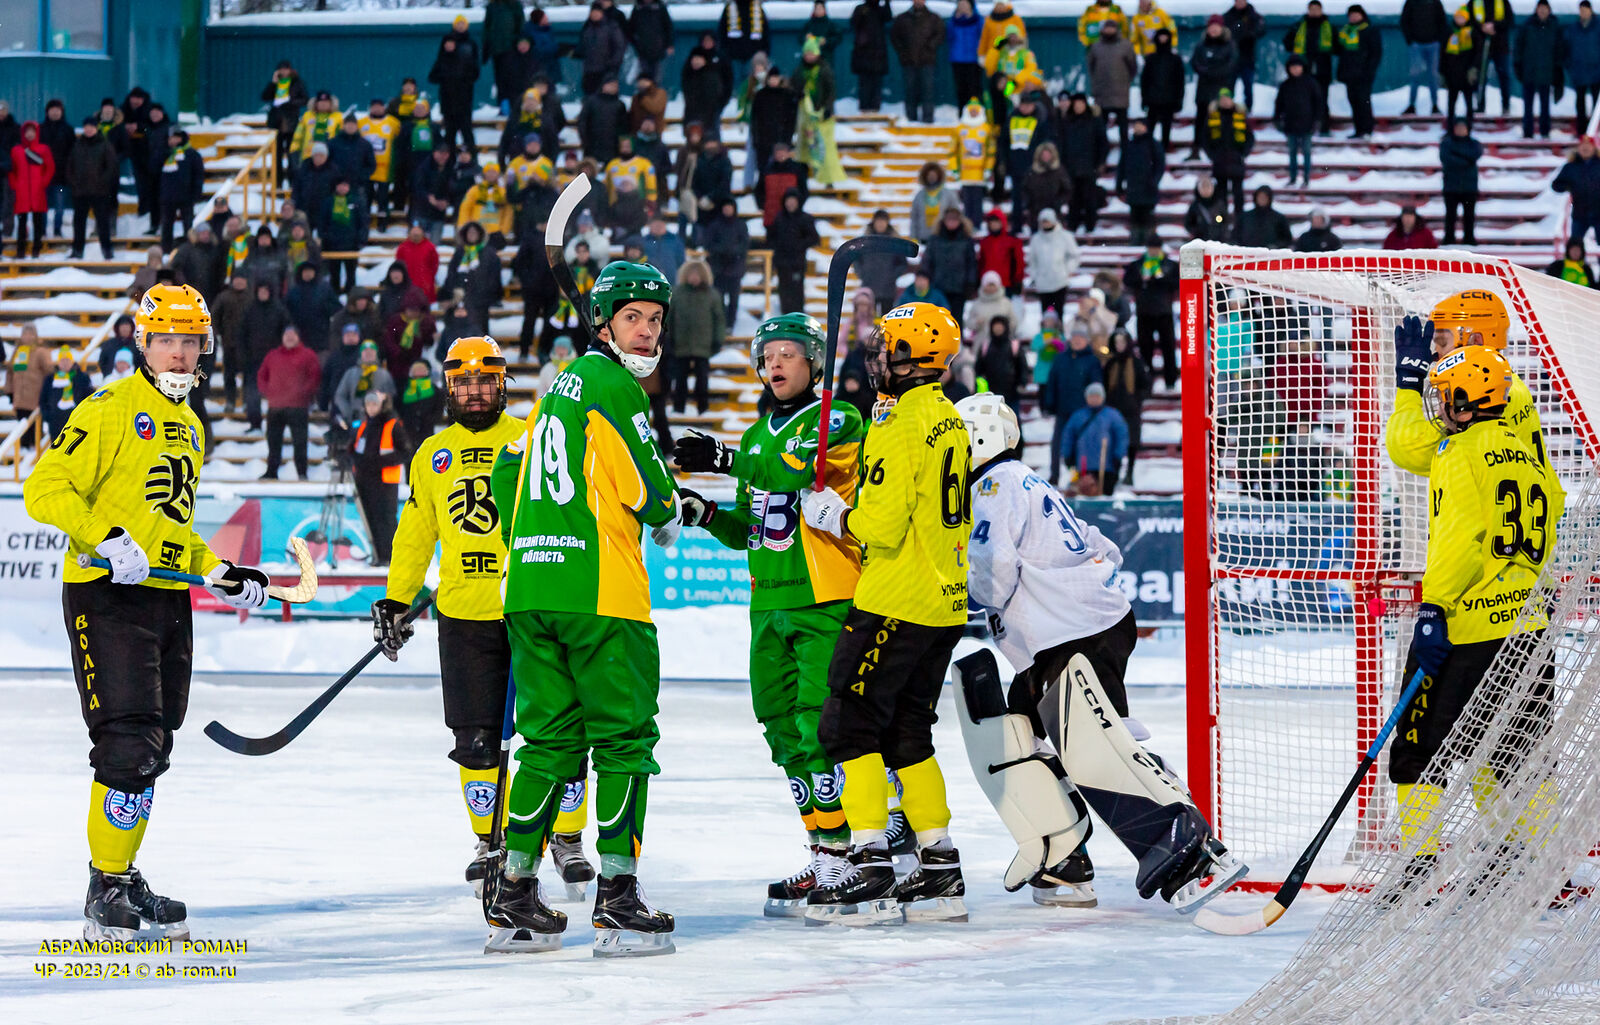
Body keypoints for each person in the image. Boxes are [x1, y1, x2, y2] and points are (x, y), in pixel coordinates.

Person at [24, 283, 272, 941]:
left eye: (191, 340)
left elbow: (172, 529)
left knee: (155, 743)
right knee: (128, 740)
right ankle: (105, 886)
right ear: (143, 342)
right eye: (167, 338)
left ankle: (121, 872)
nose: (180, 352)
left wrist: (221, 573)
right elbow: (43, 487)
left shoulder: (191, 426)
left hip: (165, 596)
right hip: (106, 594)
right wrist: (103, 537)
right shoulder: (108, 408)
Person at [956, 393, 1244, 906]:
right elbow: (1098, 543)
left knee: (1096, 746)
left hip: (1071, 633)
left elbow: (993, 575)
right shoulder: (1023, 478)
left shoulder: (991, 486)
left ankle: (1186, 848)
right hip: (1074, 629)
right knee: (1021, 737)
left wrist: (956, 594)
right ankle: (1064, 861)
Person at [485, 261, 681, 956]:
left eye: (654, 319)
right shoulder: (615, 386)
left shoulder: (553, 391)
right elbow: (650, 489)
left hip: (530, 591)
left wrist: (534, 540)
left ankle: (513, 894)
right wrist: (669, 510)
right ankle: (619, 898)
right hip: (601, 594)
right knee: (624, 740)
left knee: (548, 745)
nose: (647, 330)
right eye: (633, 317)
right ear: (604, 322)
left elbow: (507, 472)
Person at [374, 335, 592, 904]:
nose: (474, 392)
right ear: (448, 388)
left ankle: (566, 838)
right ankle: (490, 841)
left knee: (558, 731)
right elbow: (416, 533)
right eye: (463, 382)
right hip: (463, 615)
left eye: (485, 381)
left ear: (503, 384)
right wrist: (398, 599)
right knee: (476, 741)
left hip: (532, 608)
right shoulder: (432, 453)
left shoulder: (533, 435)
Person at [670, 313, 867, 912]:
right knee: (781, 728)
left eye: (787, 353)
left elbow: (795, 471)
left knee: (819, 726)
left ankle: (856, 851)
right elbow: (752, 528)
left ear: (813, 361)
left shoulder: (837, 417)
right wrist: (705, 513)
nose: (774, 363)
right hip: (768, 603)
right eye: (767, 355)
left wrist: (725, 459)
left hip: (825, 598)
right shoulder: (756, 435)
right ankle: (823, 846)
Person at [798, 302, 971, 926]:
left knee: (847, 727)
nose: (876, 359)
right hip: (944, 603)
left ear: (911, 357)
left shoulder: (899, 425)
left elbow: (881, 524)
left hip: (894, 598)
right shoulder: (948, 418)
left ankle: (870, 862)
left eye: (887, 348)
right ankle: (939, 865)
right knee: (907, 735)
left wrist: (834, 515)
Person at [1383, 345, 1563, 899]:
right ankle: (1536, 865)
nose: (1439, 406)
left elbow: (1457, 540)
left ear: (1465, 400)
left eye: (1443, 396)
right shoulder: (1526, 450)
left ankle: (1418, 865)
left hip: (1467, 628)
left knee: (1417, 747)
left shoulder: (1457, 451)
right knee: (1516, 751)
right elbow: (1554, 511)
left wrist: (1433, 608)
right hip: (1528, 627)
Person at [350, 389, 409, 565]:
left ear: (382, 405)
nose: (371, 407)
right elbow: (354, 450)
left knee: (386, 519)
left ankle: (392, 557)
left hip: (385, 482)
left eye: (374, 404)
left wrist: (380, 461)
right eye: (368, 404)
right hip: (365, 481)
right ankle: (379, 556)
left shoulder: (392, 425)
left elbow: (405, 452)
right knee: (371, 519)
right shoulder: (363, 426)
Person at [257, 325, 321, 481]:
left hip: (298, 407)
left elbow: (314, 377)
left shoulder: (307, 355)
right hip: (275, 407)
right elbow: (261, 375)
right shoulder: (273, 355)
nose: (289, 337)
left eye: (293, 335)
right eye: (287, 335)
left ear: (298, 337)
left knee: (300, 442)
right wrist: (268, 392)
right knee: (273, 442)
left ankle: (302, 472)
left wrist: (303, 393)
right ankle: (271, 472)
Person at [1042, 328, 1102, 486]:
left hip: (1083, 412)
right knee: (1057, 444)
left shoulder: (1092, 361)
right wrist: (1049, 403)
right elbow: (1052, 382)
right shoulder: (1061, 359)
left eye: (1081, 337)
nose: (1077, 340)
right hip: (1063, 409)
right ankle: (1054, 474)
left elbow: (1096, 385)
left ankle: (1079, 477)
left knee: (1080, 445)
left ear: (1087, 341)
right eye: (1075, 337)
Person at [667, 258, 725, 415]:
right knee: (680, 380)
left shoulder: (712, 295)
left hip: (703, 345)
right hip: (681, 344)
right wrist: (668, 339)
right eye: (691, 274)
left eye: (697, 274)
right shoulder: (676, 293)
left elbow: (719, 319)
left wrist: (718, 340)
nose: (694, 277)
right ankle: (678, 409)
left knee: (702, 380)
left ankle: (703, 409)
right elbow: (669, 318)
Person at [1123, 240, 1179, 389]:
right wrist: (1141, 279)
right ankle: (1146, 383)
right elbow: (1127, 281)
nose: (1153, 251)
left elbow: (1177, 283)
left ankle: (1170, 381)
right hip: (1144, 312)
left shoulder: (1170, 265)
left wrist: (1160, 278)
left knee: (1168, 348)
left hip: (1164, 312)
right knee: (1145, 349)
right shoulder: (1138, 264)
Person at [1060, 382, 1128, 496]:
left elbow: (1122, 436)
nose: (1094, 399)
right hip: (1084, 463)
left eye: (1097, 396)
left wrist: (1118, 455)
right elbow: (1068, 436)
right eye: (1091, 396)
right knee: (1084, 491)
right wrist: (1067, 454)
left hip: (1106, 464)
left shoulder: (1113, 415)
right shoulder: (1078, 416)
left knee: (1105, 494)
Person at [796, 38, 847, 187]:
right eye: (806, 53)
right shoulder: (800, 70)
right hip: (805, 114)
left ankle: (828, 179)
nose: (809, 56)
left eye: (811, 53)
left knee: (825, 147)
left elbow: (831, 91)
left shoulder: (824, 69)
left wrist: (828, 109)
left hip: (822, 113)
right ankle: (802, 180)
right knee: (804, 147)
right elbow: (794, 87)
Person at [240, 282, 290, 432]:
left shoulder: (279, 310)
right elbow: (242, 334)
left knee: (278, 394)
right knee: (252, 394)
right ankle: (255, 423)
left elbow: (287, 333)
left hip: (275, 360)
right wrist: (243, 355)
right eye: (260, 291)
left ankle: (277, 424)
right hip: (253, 360)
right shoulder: (249, 310)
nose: (263, 294)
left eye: (265, 291)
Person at [67, 117, 119, 260]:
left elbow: (111, 167)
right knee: (79, 223)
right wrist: (74, 183)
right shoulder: (77, 145)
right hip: (80, 192)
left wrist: (103, 183)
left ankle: (107, 250)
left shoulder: (105, 145)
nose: (89, 129)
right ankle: (77, 250)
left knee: (103, 223)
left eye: (92, 126)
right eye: (86, 126)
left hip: (99, 192)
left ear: (96, 128)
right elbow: (70, 166)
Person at [429, 15, 482, 154]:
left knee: (466, 130)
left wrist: (465, 80)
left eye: (462, 24)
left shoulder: (470, 46)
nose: (449, 46)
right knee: (450, 132)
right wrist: (445, 78)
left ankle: (471, 159)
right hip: (448, 98)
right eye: (458, 24)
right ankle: (449, 160)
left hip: (464, 97)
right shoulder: (443, 59)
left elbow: (475, 70)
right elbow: (433, 76)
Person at [695, 194, 750, 327]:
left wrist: (733, 251)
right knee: (718, 300)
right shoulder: (715, 225)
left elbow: (745, 244)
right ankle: (720, 324)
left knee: (734, 300)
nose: (727, 210)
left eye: (729, 207)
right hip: (719, 268)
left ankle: (731, 324)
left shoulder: (740, 225)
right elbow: (708, 244)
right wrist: (722, 250)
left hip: (735, 268)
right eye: (725, 208)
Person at [1190, 16, 1240, 160]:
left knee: (1219, 120)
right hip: (1203, 89)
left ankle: (1218, 150)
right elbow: (1195, 62)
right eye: (1211, 27)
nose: (1213, 30)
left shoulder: (1229, 45)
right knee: (1200, 119)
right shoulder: (1201, 45)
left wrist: (1212, 71)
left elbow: (1231, 65)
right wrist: (1205, 70)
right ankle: (1196, 149)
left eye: (1216, 27)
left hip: (1221, 89)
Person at [1284, 1, 1337, 130]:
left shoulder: (1329, 27)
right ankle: (1305, 126)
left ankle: (1323, 126)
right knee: (1304, 98)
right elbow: (1287, 43)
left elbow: (1337, 47)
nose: (1314, 12)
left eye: (1316, 9)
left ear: (1321, 10)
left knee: (1322, 98)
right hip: (1303, 69)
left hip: (1323, 69)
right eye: (1312, 9)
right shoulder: (1299, 26)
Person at [1516, 1, 1565, 139]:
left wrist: (1557, 69)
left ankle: (1545, 131)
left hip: (1546, 72)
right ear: (1536, 10)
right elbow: (1519, 47)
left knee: (1545, 104)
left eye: (1545, 9)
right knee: (1528, 105)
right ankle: (1528, 132)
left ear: (1549, 10)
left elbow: (1559, 49)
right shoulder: (1527, 25)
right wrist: (1518, 66)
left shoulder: (1554, 26)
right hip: (1529, 71)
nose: (1542, 11)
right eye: (1540, 9)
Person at [1056, 98, 1106, 234]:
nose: (1078, 107)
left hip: (1089, 166)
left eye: (1081, 104)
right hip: (1071, 167)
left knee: (1089, 198)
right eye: (1076, 104)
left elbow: (1102, 143)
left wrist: (1100, 162)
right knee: (1073, 198)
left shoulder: (1094, 122)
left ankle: (1090, 225)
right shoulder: (1066, 122)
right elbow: (1061, 144)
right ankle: (1073, 224)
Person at [1203, 90, 1253, 223]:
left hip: (1236, 162)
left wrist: (1243, 154)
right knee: (1221, 195)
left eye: (1227, 98)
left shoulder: (1240, 115)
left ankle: (1239, 222)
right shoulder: (1213, 116)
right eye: (1222, 99)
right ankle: (1222, 222)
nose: (1225, 102)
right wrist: (1212, 155)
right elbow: (1205, 138)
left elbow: (1249, 137)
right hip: (1220, 163)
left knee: (1238, 195)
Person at [1087, 19, 1138, 148]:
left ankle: (1126, 152)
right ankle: (1102, 151)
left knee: (1123, 127)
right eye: (1107, 28)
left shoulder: (1126, 46)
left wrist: (1124, 81)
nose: (1109, 30)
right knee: (1101, 127)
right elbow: (1091, 67)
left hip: (1120, 93)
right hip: (1102, 93)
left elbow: (1133, 67)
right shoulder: (1096, 47)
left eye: (1112, 28)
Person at [1275, 56, 1325, 189]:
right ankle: (1292, 178)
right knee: (1292, 153)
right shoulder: (1285, 85)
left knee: (1306, 152)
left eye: (1298, 67)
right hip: (1290, 125)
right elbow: (1279, 104)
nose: (1295, 70)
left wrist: (1317, 120)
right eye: (1293, 67)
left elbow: (1318, 103)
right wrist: (1278, 119)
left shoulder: (1311, 83)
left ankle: (1306, 178)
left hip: (1307, 124)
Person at [892, 0, 945, 124]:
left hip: (927, 61)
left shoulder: (934, 18)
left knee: (928, 91)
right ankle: (910, 119)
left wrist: (930, 47)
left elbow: (940, 34)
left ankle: (928, 119)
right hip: (909, 61)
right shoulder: (902, 18)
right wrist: (903, 52)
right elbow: (895, 37)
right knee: (910, 91)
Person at [925, 207, 978, 327]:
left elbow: (971, 264)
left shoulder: (966, 240)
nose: (951, 223)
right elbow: (928, 261)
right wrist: (927, 278)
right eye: (949, 220)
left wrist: (970, 283)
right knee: (938, 321)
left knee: (956, 321)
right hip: (939, 287)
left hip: (959, 289)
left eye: (954, 220)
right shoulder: (935, 239)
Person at [770, 189, 821, 315]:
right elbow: (771, 238)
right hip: (782, 263)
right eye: (788, 201)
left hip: (797, 263)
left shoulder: (805, 218)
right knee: (784, 293)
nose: (790, 204)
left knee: (797, 294)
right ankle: (786, 319)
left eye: (793, 201)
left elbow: (814, 238)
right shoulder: (779, 218)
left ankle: (798, 319)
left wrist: (799, 244)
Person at [9, 120, 54, 259]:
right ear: (23, 133)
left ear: (37, 133)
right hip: (22, 192)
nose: (29, 134)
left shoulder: (43, 149)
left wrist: (43, 183)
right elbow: (12, 170)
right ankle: (21, 251)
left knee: (38, 222)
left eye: (32, 131)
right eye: (27, 131)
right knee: (21, 223)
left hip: (37, 191)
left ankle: (36, 249)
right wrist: (15, 185)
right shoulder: (16, 150)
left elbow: (50, 168)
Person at [1337, 5, 1383, 140]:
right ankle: (1358, 130)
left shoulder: (1369, 30)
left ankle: (1367, 130)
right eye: (1351, 15)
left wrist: (1369, 70)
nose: (1353, 17)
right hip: (1349, 73)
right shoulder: (1346, 31)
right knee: (1353, 101)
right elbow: (1340, 51)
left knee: (1364, 102)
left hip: (1363, 73)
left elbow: (1376, 53)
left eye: (1356, 14)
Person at [1117, 119, 1165, 246]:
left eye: (1140, 126)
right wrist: (1119, 184)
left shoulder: (1153, 144)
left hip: (1148, 188)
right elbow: (1122, 165)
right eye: (1135, 126)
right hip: (1133, 187)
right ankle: (1135, 241)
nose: (1137, 128)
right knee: (1134, 217)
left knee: (1147, 217)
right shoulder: (1129, 145)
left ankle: (1148, 242)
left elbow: (1160, 165)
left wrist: (1154, 181)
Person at [320, 178, 370, 296]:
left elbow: (363, 222)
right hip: (333, 244)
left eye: (345, 185)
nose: (343, 188)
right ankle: (334, 297)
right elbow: (322, 222)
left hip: (351, 244)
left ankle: (351, 296)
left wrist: (361, 239)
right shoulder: (328, 201)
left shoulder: (356, 201)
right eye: (340, 185)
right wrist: (325, 237)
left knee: (351, 274)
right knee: (334, 274)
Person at [1027, 208, 1079, 317]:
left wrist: (1067, 270)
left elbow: (1074, 255)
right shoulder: (1036, 239)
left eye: (1047, 221)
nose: (1045, 224)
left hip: (1060, 282)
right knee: (1046, 314)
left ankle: (1059, 328)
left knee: (1058, 313)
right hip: (1043, 284)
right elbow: (1032, 260)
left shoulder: (1065, 236)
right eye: (1043, 221)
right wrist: (1035, 275)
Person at [263, 60, 310, 180]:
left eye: (286, 69)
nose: (283, 71)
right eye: (281, 69)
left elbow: (305, 99)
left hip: (291, 121)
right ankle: (277, 180)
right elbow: (265, 96)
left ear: (290, 70)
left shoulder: (296, 82)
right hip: (276, 122)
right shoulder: (276, 83)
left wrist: (290, 102)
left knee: (292, 153)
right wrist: (273, 83)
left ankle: (292, 179)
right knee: (276, 154)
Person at [1469, 0, 1517, 116]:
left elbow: (1510, 21)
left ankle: (1506, 106)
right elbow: (1469, 21)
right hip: (1480, 46)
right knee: (1480, 76)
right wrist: (1481, 27)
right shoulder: (1474, 2)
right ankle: (1480, 106)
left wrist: (1494, 25)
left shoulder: (1503, 2)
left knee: (1504, 76)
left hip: (1501, 47)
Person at [1402, 0, 1449, 114]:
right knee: (1415, 75)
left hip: (1433, 44)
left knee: (1433, 76)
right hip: (1416, 44)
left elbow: (1442, 22)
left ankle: (1435, 105)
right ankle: (1412, 105)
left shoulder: (1436, 3)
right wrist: (1410, 40)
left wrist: (1439, 40)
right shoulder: (1411, 2)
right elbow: (1404, 21)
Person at [1441, 119, 1484, 246]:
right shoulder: (1446, 143)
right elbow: (1446, 159)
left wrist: (1457, 155)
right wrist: (1466, 160)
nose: (1460, 130)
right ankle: (1449, 238)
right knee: (1450, 215)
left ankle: (1469, 239)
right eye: (1458, 127)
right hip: (1451, 186)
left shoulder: (1474, 144)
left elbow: (1475, 154)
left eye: (1463, 127)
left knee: (1469, 215)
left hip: (1469, 187)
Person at [1141, 29, 1185, 150]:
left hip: (1169, 100)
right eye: (1160, 37)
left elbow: (1180, 81)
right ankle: (1148, 151)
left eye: (1165, 37)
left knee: (1166, 128)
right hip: (1153, 100)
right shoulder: (1150, 59)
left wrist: (1179, 100)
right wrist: (1144, 98)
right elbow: (1144, 80)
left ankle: (1164, 150)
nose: (1163, 39)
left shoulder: (1175, 59)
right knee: (1150, 128)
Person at [1442, 6, 1484, 128]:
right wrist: (1443, 71)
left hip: (1467, 73)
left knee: (1468, 101)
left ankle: (1469, 125)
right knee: (1451, 102)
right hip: (1452, 73)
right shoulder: (1449, 31)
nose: (1460, 20)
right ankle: (1450, 126)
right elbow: (1443, 53)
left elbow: (1478, 52)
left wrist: (1474, 68)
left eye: (1462, 17)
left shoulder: (1472, 32)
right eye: (1458, 17)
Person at [285, 261, 340, 354]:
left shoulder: (325, 289)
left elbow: (336, 308)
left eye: (310, 271)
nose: (308, 274)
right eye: (305, 271)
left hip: (321, 336)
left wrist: (325, 308)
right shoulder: (293, 291)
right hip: (300, 335)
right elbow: (287, 312)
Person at [1556, 135, 1600, 248]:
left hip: (1598, 212)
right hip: (1580, 213)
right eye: (1583, 146)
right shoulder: (1570, 166)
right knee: (1575, 246)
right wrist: (1569, 187)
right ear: (1578, 148)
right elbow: (1556, 185)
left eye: (1588, 146)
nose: (1585, 148)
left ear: (1594, 148)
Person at [850, 0, 894, 113]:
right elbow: (854, 23)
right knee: (864, 83)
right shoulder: (861, 9)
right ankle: (864, 109)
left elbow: (888, 18)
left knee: (876, 83)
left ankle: (875, 109)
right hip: (863, 54)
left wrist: (887, 3)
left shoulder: (880, 10)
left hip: (877, 54)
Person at [42, 347, 93, 440]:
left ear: (72, 362)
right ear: (58, 363)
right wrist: (48, 416)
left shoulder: (82, 377)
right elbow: (43, 399)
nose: (65, 363)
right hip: (55, 423)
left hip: (77, 422)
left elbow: (89, 397)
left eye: (67, 360)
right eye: (62, 360)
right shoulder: (50, 379)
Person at [1224, 0, 1266, 110]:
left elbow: (1260, 30)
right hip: (1231, 59)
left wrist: (1246, 33)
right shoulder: (1228, 15)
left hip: (1248, 58)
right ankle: (1227, 110)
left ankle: (1248, 109)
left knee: (1248, 86)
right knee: (1228, 87)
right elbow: (1227, 32)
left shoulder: (1253, 15)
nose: (1240, 3)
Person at [977, 209, 1026, 301]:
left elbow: (1018, 262)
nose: (994, 224)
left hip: (1005, 284)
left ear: (1002, 223)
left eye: (997, 222)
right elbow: (981, 263)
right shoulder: (984, 242)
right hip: (988, 284)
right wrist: (979, 279)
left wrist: (1018, 280)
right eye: (992, 222)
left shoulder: (1012, 241)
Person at [1566, 2, 1600, 131]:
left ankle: (1594, 130)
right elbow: (1567, 48)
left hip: (1596, 71)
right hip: (1579, 70)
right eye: (1581, 10)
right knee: (1580, 102)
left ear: (1591, 11)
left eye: (1586, 10)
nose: (1583, 13)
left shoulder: (1598, 26)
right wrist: (1570, 65)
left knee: (1597, 104)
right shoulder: (1574, 28)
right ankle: (1581, 130)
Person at [909, 161, 960, 244]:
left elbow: (956, 215)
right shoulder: (919, 196)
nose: (932, 178)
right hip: (924, 237)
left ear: (939, 176)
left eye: (934, 175)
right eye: (929, 175)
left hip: (944, 237)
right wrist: (913, 237)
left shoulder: (948, 194)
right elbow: (914, 218)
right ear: (925, 176)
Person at [948, 0, 985, 109]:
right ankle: (962, 113)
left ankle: (976, 113)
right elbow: (949, 37)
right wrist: (955, 20)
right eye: (960, 5)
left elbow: (983, 36)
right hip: (957, 59)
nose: (963, 7)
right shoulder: (953, 21)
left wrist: (972, 17)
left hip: (974, 60)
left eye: (965, 4)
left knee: (974, 89)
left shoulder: (978, 20)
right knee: (961, 89)